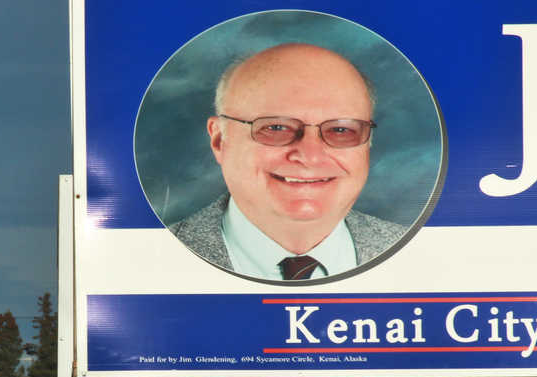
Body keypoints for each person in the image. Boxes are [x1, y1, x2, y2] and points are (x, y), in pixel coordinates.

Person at [169, 43, 407, 281]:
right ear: (220, 139)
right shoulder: (150, 259)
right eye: (276, 127)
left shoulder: (420, 257)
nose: (310, 156)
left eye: (340, 129)